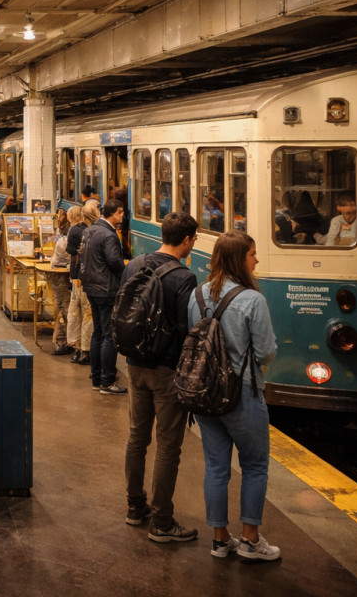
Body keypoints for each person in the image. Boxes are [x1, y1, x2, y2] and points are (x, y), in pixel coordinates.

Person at [187, 230, 280, 562]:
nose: (256, 259)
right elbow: (267, 351)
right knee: (254, 466)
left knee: (215, 467)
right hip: (242, 393)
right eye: (253, 254)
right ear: (240, 259)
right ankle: (251, 541)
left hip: (204, 394)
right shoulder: (253, 300)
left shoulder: (197, 294)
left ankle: (220, 539)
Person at [120, 212, 200, 542]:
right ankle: (163, 522)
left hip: (134, 364)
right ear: (186, 240)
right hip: (166, 371)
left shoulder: (135, 264)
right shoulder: (184, 277)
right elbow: (186, 330)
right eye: (193, 239)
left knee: (138, 437)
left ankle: (135, 507)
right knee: (169, 445)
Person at [80, 198, 127, 394]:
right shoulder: (109, 235)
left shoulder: (88, 231)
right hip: (107, 289)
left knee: (98, 332)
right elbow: (115, 262)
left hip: (91, 287)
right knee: (109, 336)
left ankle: (96, 378)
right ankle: (107, 382)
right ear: (114, 213)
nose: (123, 216)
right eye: (121, 212)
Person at [65, 203, 96, 364]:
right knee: (87, 315)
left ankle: (76, 348)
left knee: (74, 313)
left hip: (75, 276)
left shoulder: (74, 230)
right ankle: (85, 351)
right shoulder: (88, 231)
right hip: (85, 279)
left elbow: (69, 250)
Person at [48, 209, 75, 356]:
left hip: (59, 279)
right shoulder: (65, 243)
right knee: (65, 310)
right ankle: (63, 342)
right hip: (63, 280)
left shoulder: (61, 242)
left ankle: (61, 342)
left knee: (62, 309)